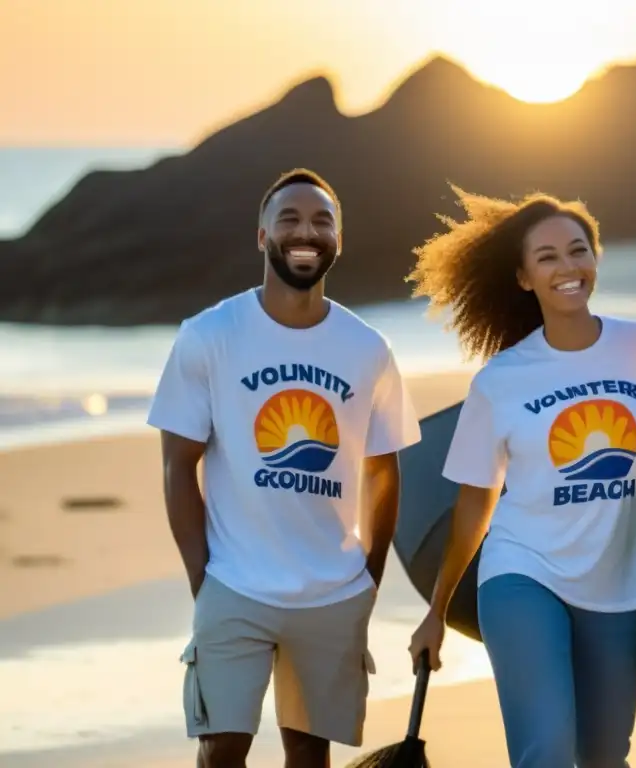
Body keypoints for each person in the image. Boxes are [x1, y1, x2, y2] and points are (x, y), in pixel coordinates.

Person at [147, 168, 421, 768]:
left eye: (322, 221)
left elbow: (384, 473)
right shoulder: (209, 335)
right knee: (219, 750)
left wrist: (367, 580)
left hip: (332, 588)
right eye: (290, 218)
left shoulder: (368, 348)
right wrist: (204, 581)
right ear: (262, 234)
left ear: (339, 241)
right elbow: (178, 467)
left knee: (308, 753)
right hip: (233, 583)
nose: (307, 231)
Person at [406, 186, 636, 768]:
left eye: (578, 250)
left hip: (623, 580)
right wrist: (437, 610)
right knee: (547, 752)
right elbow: (475, 504)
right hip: (524, 573)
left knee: (604, 756)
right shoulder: (502, 379)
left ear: (596, 259)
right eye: (548, 257)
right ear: (525, 277)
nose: (567, 267)